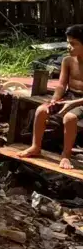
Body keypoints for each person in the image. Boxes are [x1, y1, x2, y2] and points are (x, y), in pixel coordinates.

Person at [18, 25, 83, 169]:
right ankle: (36, 147)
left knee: (69, 118)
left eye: (73, 44)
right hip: (69, 96)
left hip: (81, 101)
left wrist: (72, 104)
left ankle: (65, 155)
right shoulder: (67, 61)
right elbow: (61, 85)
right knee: (41, 110)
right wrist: (55, 99)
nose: (69, 47)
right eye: (68, 42)